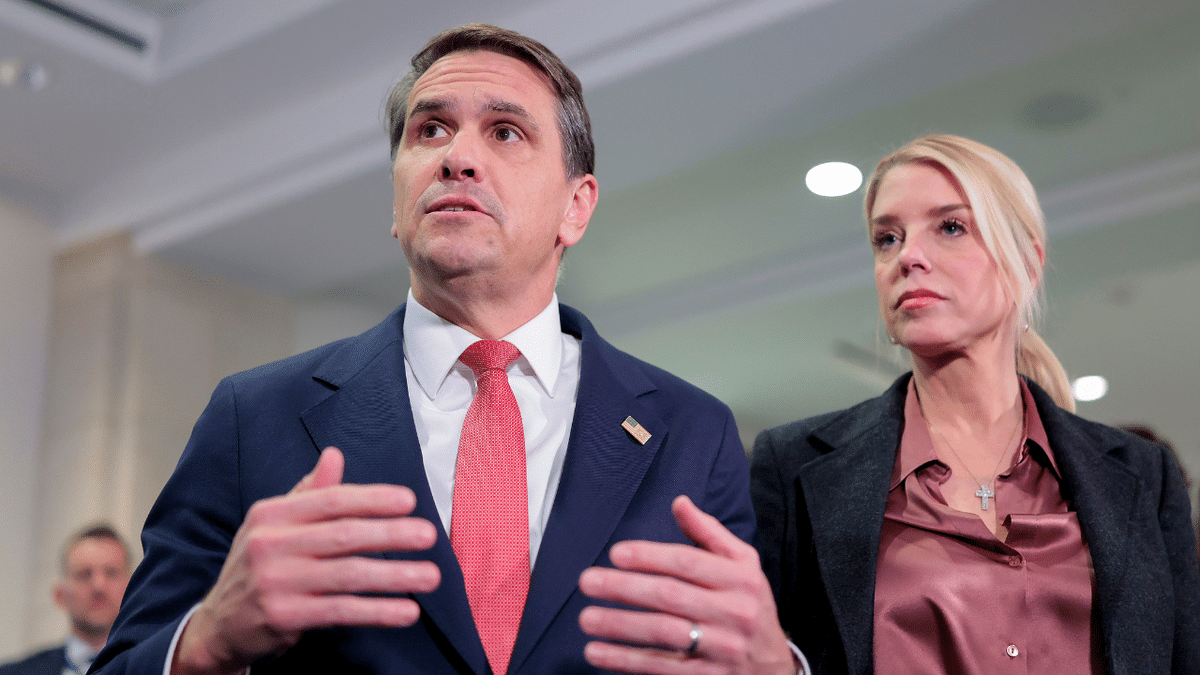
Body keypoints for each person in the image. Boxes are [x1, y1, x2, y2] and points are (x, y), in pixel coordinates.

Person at [91, 23, 754, 675]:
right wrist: (208, 639)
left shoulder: (694, 433)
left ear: (575, 208)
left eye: (505, 131)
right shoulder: (253, 417)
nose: (457, 158)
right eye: (431, 129)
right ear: (396, 199)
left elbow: (752, 654)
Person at [577, 134, 1200, 675]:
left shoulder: (1143, 476)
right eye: (887, 238)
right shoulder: (792, 467)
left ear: (1027, 265)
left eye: (950, 227)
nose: (908, 257)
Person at [0, 524, 131, 675]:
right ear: (60, 595)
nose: (98, 586)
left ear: (133, 590)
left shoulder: (153, 667)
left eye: (111, 573)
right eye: (84, 574)